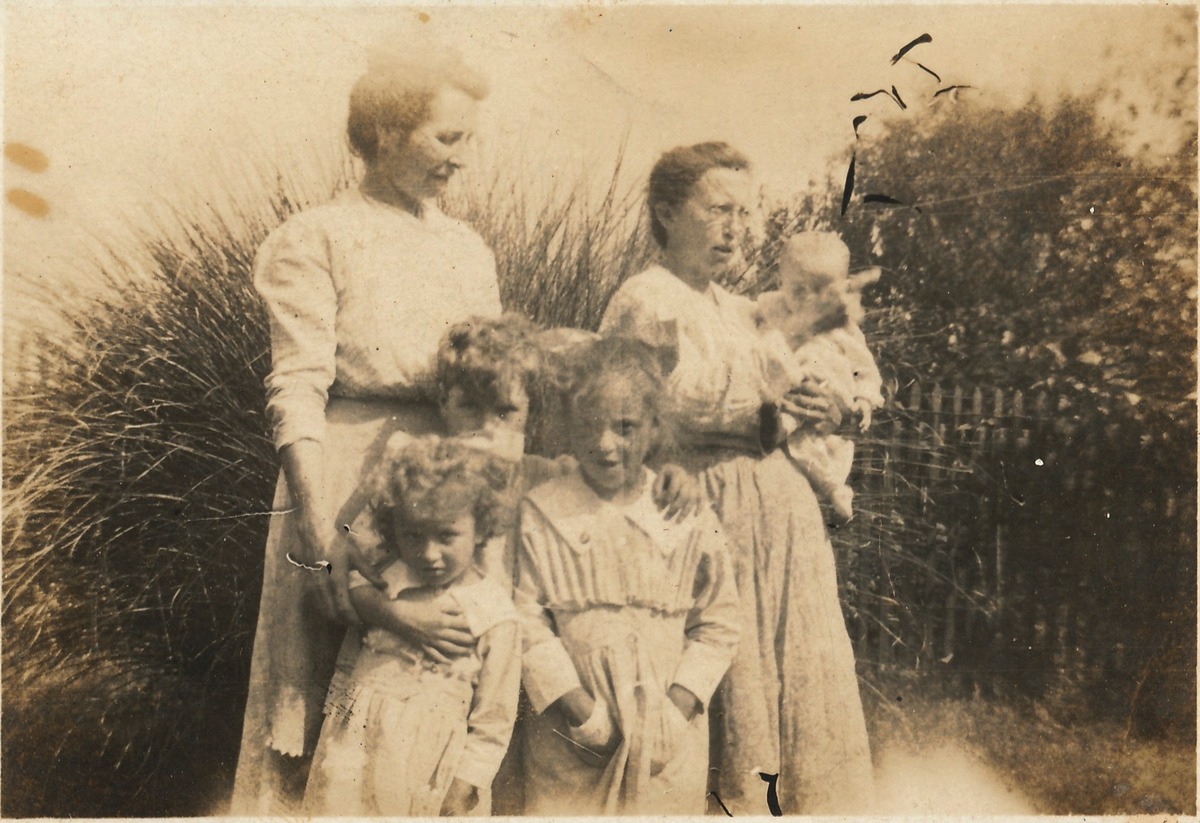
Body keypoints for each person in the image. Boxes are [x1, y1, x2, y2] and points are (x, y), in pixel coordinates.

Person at [232, 42, 502, 813]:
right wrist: (315, 526)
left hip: (443, 489)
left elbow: (487, 381)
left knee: (438, 687)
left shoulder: (467, 249)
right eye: (446, 138)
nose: (461, 159)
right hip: (338, 476)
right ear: (385, 132)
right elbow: (298, 385)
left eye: (467, 140)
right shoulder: (315, 237)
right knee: (318, 699)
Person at [599, 142, 875, 814]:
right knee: (725, 686)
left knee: (797, 685)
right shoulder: (646, 299)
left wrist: (838, 408)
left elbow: (817, 381)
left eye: (746, 212)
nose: (738, 226)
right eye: (719, 208)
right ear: (666, 212)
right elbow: (674, 399)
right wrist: (773, 381)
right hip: (698, 507)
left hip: (782, 516)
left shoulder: (744, 308)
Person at [515, 336, 740, 815]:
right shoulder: (544, 510)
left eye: (625, 427)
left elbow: (720, 621)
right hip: (571, 735)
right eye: (589, 426)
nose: (605, 444)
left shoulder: (685, 511)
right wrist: (581, 713)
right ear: (568, 428)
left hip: (667, 739)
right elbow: (526, 621)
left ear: (655, 426)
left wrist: (676, 713)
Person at [302, 435, 520, 816]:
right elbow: (348, 652)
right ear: (394, 528)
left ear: (481, 529)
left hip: (432, 760)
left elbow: (495, 717)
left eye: (447, 536)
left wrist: (468, 780)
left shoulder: (493, 611)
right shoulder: (385, 577)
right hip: (357, 745)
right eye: (413, 535)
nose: (429, 554)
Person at [756, 232, 884, 521]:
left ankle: (834, 488)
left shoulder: (844, 329)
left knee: (809, 448)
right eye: (799, 290)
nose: (809, 300)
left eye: (821, 291)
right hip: (789, 387)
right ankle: (779, 430)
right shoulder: (770, 310)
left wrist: (864, 400)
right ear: (780, 283)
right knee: (795, 438)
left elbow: (865, 369)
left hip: (828, 390)